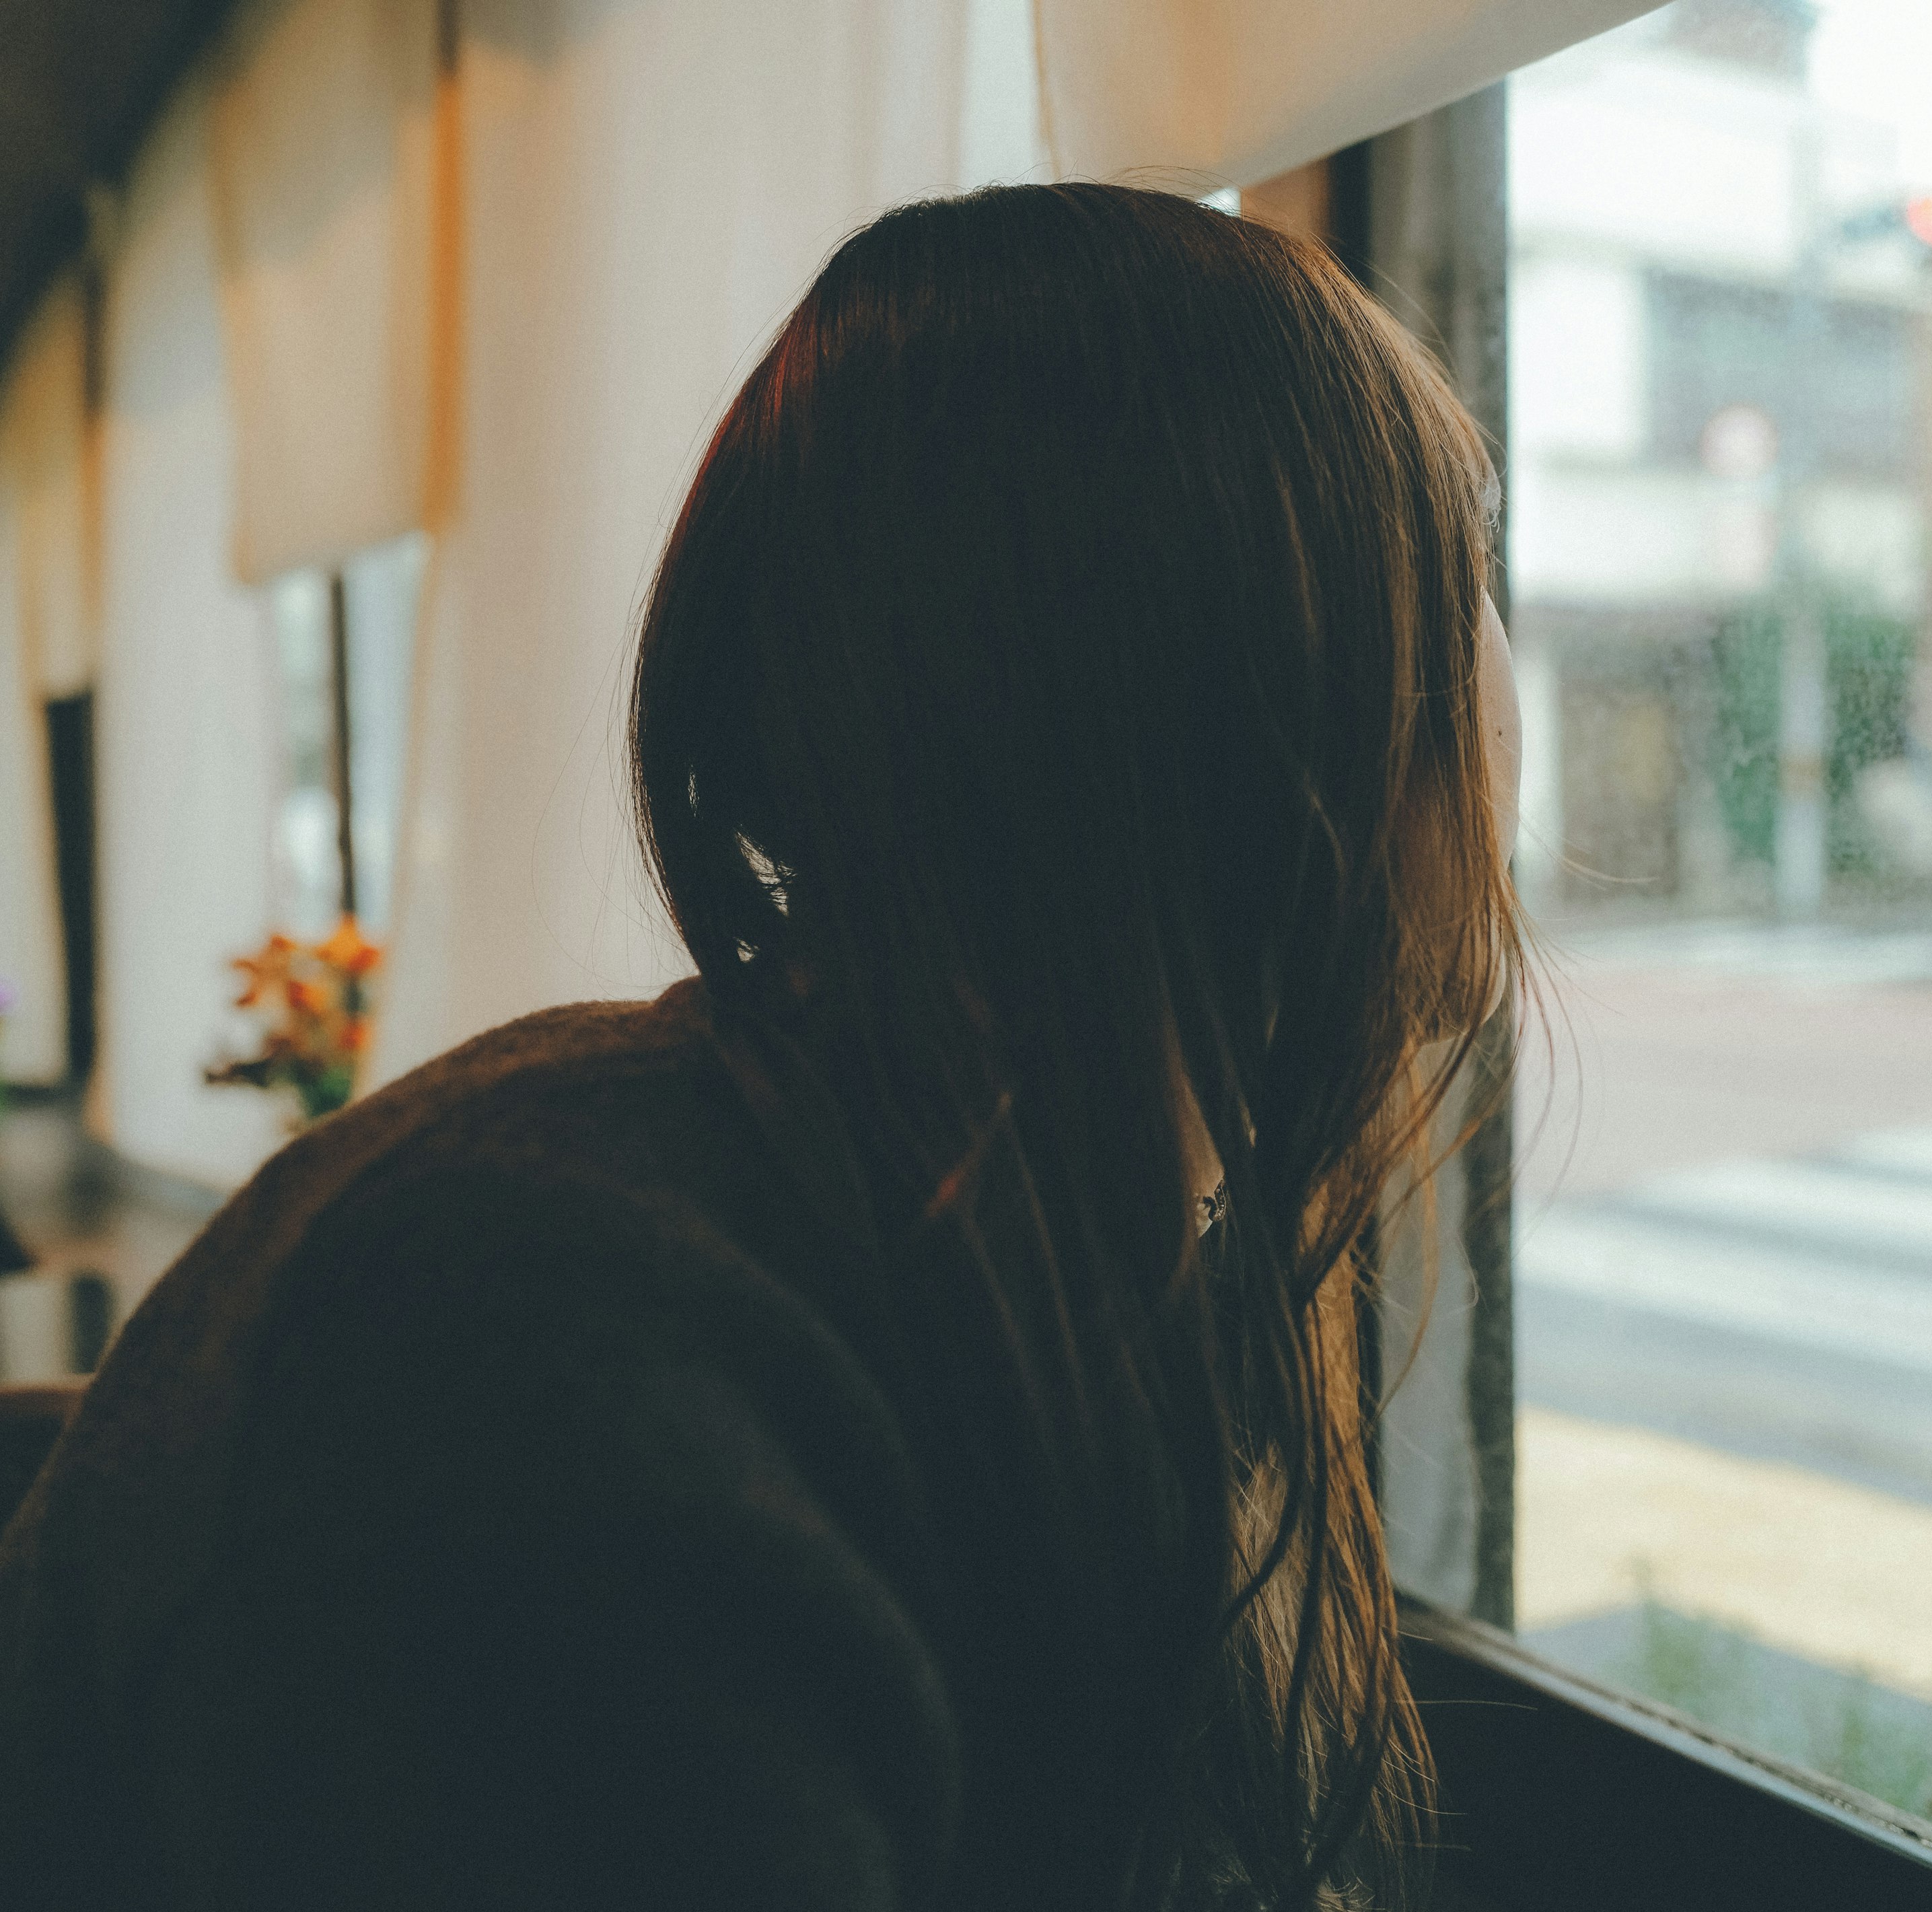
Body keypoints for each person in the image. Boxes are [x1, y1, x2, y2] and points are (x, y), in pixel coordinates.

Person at [0, 183, 1524, 1911]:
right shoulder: (535, 1346)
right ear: (1240, 672)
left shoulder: (1023, 1250)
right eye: (1465, 566)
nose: (1501, 671)